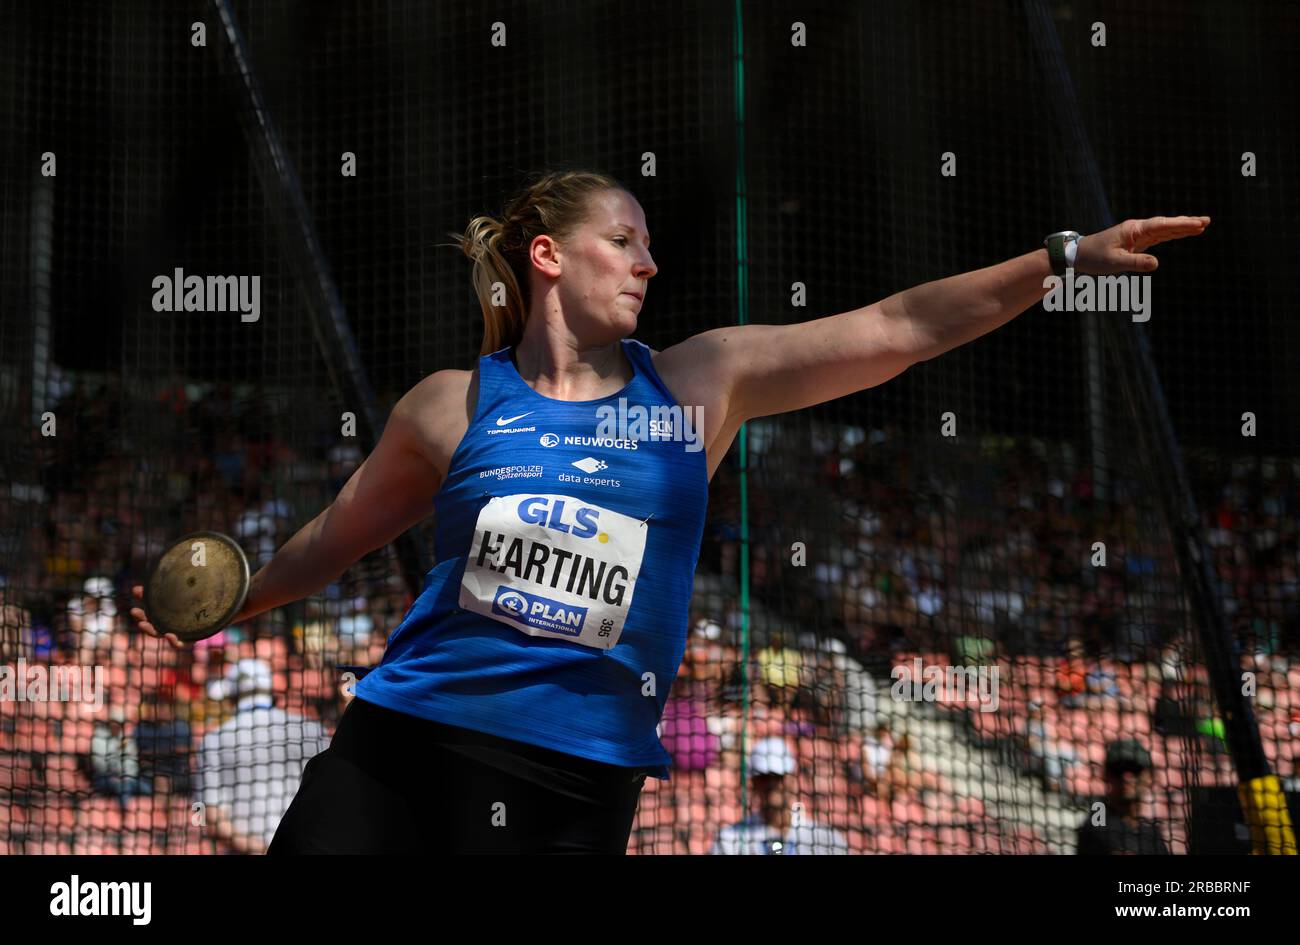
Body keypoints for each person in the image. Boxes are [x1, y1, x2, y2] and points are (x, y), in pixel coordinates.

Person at [130, 167, 1209, 853]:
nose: (650, 262)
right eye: (623, 240)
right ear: (547, 256)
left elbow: (900, 326)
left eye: (649, 244)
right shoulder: (450, 408)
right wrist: (239, 597)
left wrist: (1059, 261)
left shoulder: (700, 384)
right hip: (405, 742)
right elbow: (340, 534)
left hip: (576, 781)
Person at [193, 658, 330, 854]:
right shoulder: (312, 729)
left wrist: (264, 851)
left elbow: (208, 816)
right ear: (272, 692)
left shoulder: (213, 740)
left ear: (231, 698)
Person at [710, 736, 849, 854]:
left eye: (778, 777)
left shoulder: (825, 838)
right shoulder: (730, 840)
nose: (771, 784)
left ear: (792, 778)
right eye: (764, 777)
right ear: (753, 783)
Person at [1074, 739, 1170, 855]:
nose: (1127, 777)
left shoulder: (1151, 832)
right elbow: (1098, 832)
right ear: (1106, 775)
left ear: (1149, 776)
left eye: (1135, 770)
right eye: (1118, 770)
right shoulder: (1099, 817)